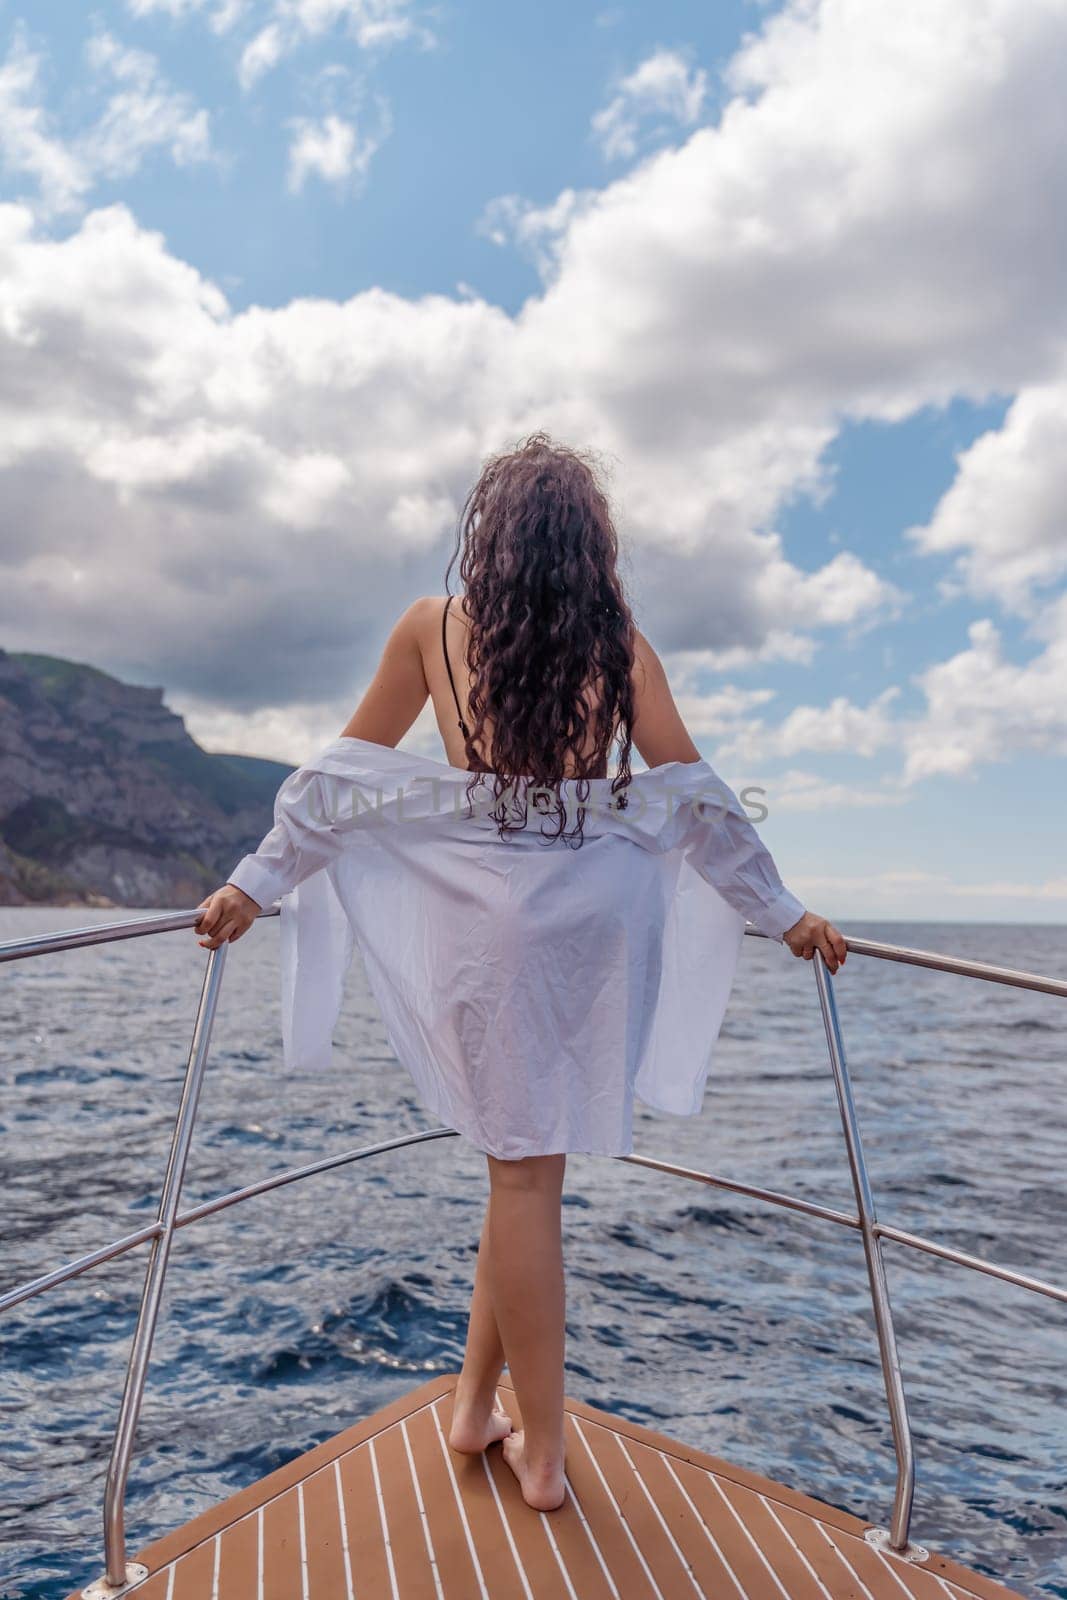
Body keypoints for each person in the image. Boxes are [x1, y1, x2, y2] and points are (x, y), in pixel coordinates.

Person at [194, 430, 847, 1514]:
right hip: (592, 924)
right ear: (589, 546)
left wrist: (252, 885)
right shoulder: (619, 646)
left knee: (518, 1170)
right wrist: (781, 911)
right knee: (527, 1168)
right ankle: (483, 1415)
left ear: (487, 540)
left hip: (478, 921)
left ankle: (529, 1451)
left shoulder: (430, 629)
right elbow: (697, 798)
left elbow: (338, 782)